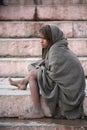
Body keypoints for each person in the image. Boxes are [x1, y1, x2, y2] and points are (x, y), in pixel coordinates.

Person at [9, 24, 86, 119]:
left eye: (44, 39)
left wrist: (40, 71)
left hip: (71, 89)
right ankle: (23, 82)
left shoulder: (56, 50)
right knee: (39, 66)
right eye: (40, 38)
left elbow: (54, 74)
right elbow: (50, 65)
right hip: (71, 84)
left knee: (33, 74)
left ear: (52, 38)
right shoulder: (58, 46)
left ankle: (37, 111)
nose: (41, 41)